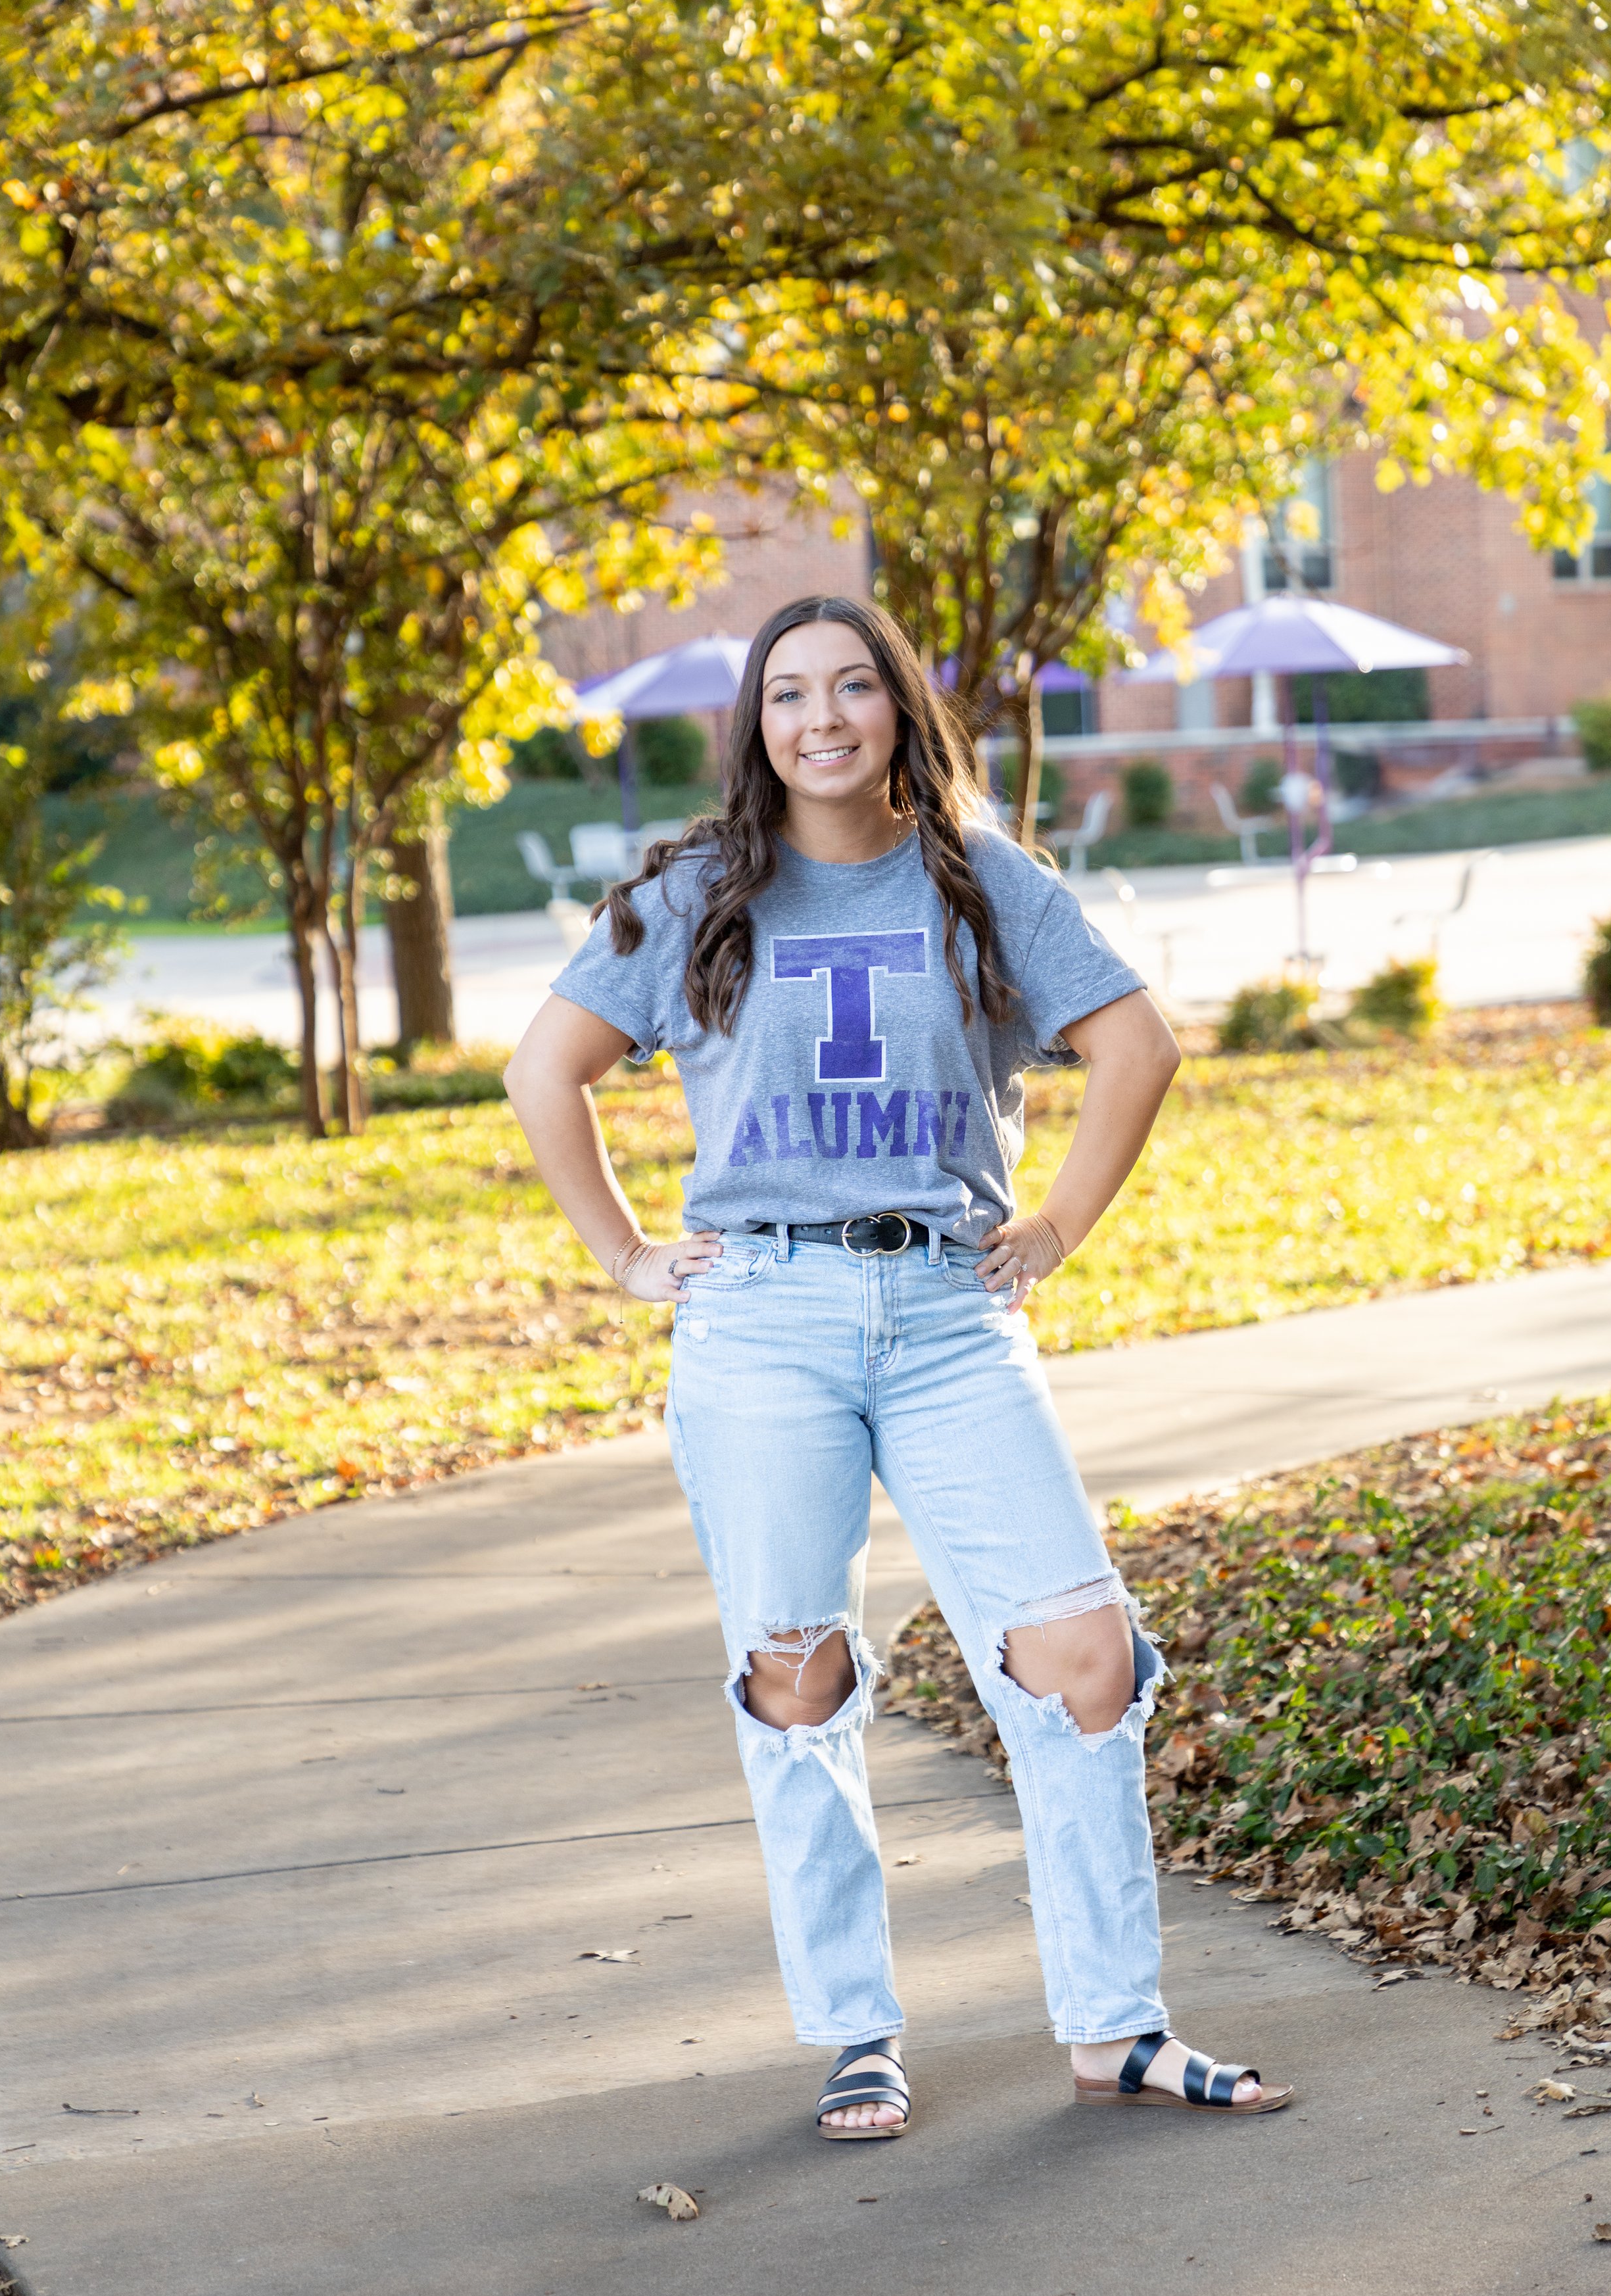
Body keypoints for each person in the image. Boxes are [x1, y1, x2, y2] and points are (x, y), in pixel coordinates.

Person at [504, 594, 1291, 2138]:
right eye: (787, 693)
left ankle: (1114, 2028)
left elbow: (1138, 1049)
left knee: (1081, 1662)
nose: (821, 718)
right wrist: (622, 1255)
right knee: (797, 1684)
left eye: (851, 686)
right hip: (762, 1327)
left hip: (947, 1315)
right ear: (755, 726)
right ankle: (855, 2032)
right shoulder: (691, 895)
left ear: (896, 709)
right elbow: (547, 1069)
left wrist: (1056, 1223)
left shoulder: (986, 884)